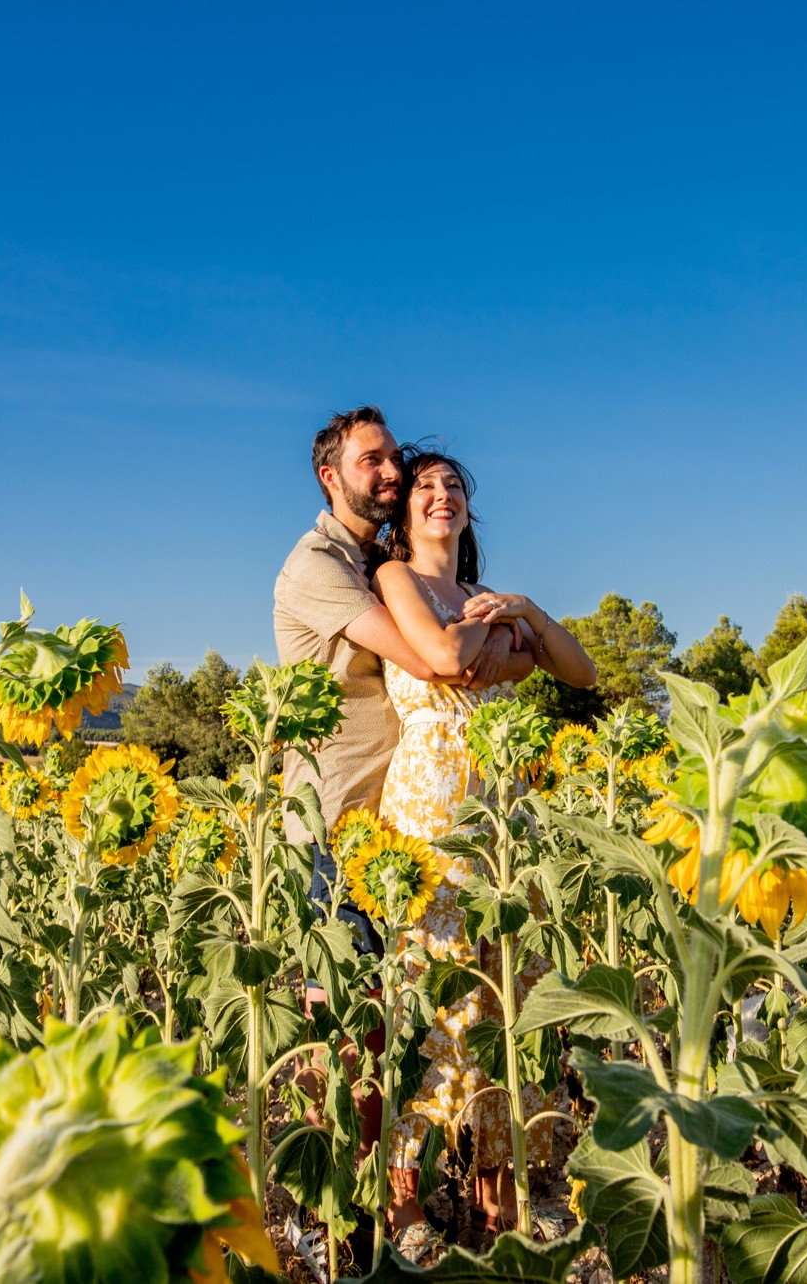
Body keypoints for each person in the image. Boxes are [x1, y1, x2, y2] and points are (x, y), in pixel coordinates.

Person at [272, 408, 534, 1236]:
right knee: (349, 1026)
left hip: (395, 823)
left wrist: (497, 633)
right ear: (331, 474)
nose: (389, 473)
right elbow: (432, 659)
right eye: (372, 460)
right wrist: (495, 629)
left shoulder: (371, 557)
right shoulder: (321, 564)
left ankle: (396, 1204)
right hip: (332, 821)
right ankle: (345, 1215)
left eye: (396, 461)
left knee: (406, 1014)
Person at [369, 445, 597, 1254]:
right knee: (433, 1002)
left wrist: (525, 612)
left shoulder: (487, 595)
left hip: (504, 813)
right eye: (425, 486)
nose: (441, 495)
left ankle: (499, 1203)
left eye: (454, 486)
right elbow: (445, 659)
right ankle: (404, 1207)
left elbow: (579, 668)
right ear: (403, 512)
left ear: (468, 511)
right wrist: (492, 641)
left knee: (506, 1001)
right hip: (431, 813)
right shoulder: (395, 580)